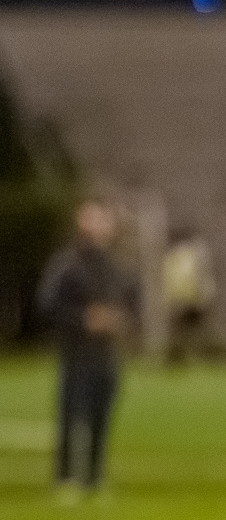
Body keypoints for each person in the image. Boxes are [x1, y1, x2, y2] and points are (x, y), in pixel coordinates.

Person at [38, 200, 133, 497]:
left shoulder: (116, 265)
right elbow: (48, 305)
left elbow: (129, 303)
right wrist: (84, 319)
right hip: (77, 351)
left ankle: (94, 477)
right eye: (92, 218)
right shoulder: (67, 263)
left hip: (107, 352)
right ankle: (66, 476)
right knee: (72, 413)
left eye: (103, 218)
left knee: (101, 413)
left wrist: (120, 319)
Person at [161, 226, 216, 366]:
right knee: (186, 331)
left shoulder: (177, 255)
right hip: (185, 299)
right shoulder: (185, 255)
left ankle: (189, 357)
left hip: (187, 299)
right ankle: (181, 358)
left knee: (190, 330)